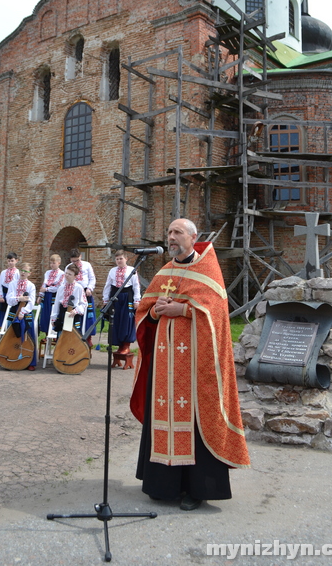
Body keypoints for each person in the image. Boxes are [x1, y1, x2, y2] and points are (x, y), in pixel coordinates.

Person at [130, 218, 250, 511]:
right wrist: (156, 312)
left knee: (196, 421)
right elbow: (145, 310)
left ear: (193, 237)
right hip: (163, 366)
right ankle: (162, 484)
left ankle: (196, 489)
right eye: (169, 232)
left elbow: (218, 315)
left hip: (195, 365)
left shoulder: (208, 270)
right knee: (164, 414)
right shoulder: (166, 270)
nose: (171, 237)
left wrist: (182, 309)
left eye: (177, 233)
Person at [102, 250, 141, 355]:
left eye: (121, 259)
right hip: (115, 296)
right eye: (117, 259)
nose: (119, 261)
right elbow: (108, 285)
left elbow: (136, 286)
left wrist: (136, 300)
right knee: (116, 320)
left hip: (127, 296)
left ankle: (126, 345)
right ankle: (119, 345)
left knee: (126, 320)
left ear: (126, 259)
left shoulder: (131, 270)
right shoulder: (112, 271)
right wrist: (106, 299)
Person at [5, 262, 37, 370]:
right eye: (22, 270)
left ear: (30, 273)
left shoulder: (31, 286)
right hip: (14, 310)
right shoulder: (12, 284)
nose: (23, 273)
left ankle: (30, 362)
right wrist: (19, 299)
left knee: (29, 336)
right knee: (11, 335)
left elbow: (31, 302)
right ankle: (10, 357)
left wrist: (23, 311)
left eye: (26, 271)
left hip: (26, 313)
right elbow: (9, 299)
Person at [67, 248, 97, 344]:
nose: (75, 263)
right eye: (73, 261)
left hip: (85, 291)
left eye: (77, 260)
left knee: (88, 315)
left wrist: (89, 288)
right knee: (75, 314)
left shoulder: (87, 265)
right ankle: (74, 335)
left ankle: (88, 337)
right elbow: (66, 280)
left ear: (80, 256)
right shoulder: (68, 267)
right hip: (74, 292)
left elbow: (92, 278)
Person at [51, 263, 87, 337]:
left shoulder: (79, 288)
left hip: (73, 315)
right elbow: (57, 303)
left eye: (70, 274)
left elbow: (83, 304)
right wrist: (54, 318)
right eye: (66, 273)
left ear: (75, 276)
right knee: (61, 336)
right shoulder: (61, 288)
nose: (67, 275)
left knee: (73, 337)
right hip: (62, 313)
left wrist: (76, 310)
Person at [37, 254, 65, 334]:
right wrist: (40, 295)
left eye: (54, 263)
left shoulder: (61, 273)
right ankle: (46, 332)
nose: (52, 265)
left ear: (59, 263)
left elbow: (58, 286)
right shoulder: (47, 273)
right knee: (46, 314)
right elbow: (44, 283)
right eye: (51, 263)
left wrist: (47, 289)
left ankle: (54, 331)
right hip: (47, 295)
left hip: (54, 295)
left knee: (54, 312)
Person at [0, 252, 20, 327]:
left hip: (13, 293)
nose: (10, 263)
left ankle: (11, 325)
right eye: (9, 261)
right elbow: (0, 284)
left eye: (12, 261)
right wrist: (0, 296)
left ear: (16, 260)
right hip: (4, 293)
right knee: (3, 310)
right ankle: (2, 326)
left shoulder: (18, 272)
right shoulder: (3, 272)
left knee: (12, 310)